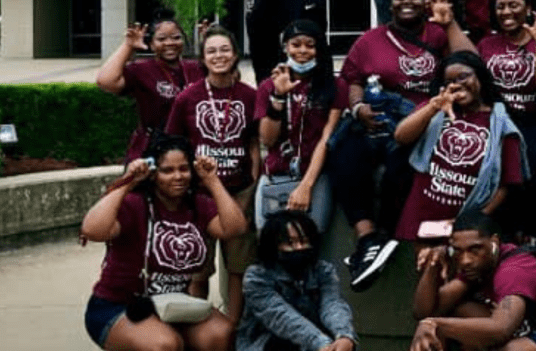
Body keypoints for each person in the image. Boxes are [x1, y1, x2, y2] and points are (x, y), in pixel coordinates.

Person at [329, 0, 476, 292]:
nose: (406, 2)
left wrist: (449, 23)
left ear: (425, 3)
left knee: (404, 165)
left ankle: (383, 237)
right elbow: (353, 79)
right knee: (346, 154)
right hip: (377, 117)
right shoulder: (370, 40)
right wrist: (357, 109)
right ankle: (368, 238)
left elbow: (472, 65)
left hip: (424, 120)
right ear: (389, 3)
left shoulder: (437, 35)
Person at [81, 135, 246, 351]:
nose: (178, 176)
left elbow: (235, 228)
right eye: (167, 170)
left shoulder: (198, 205)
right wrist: (128, 182)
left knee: (221, 335)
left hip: (174, 305)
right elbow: (93, 230)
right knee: (165, 344)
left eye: (184, 169)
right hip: (119, 306)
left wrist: (212, 180)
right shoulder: (135, 205)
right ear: (152, 174)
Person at [166, 25, 259, 324]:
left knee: (238, 266)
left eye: (224, 50)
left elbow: (255, 143)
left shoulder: (249, 95)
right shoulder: (187, 98)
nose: (219, 56)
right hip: (199, 196)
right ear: (202, 59)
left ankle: (232, 328)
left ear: (235, 54)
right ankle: (197, 327)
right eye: (211, 51)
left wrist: (254, 182)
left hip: (239, 192)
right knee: (197, 268)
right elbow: (173, 144)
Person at [410, 210, 536, 351]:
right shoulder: (479, 264)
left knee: (513, 350)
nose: (465, 260)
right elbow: (425, 311)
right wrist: (433, 265)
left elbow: (501, 329)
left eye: (474, 249)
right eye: (458, 251)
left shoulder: (514, 271)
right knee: (459, 311)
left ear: (494, 242)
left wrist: (434, 324)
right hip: (533, 332)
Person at [394, 51, 528, 249]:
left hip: (464, 227)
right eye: (449, 81)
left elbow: (506, 185)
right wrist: (433, 107)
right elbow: (401, 136)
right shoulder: (437, 109)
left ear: (480, 77)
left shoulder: (502, 125)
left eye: (463, 76)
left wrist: (472, 223)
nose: (456, 84)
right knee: (427, 273)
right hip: (423, 216)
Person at [477, 0, 536, 239]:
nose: (506, 12)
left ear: (528, 9)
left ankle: (530, 235)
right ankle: (501, 236)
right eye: (500, 6)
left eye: (513, 5)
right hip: (498, 121)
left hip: (533, 119)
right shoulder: (486, 45)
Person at [254, 19, 347, 233]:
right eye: (296, 45)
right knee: (270, 241)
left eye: (310, 45)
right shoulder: (268, 86)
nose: (302, 51)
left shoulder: (335, 85)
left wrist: (306, 186)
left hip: (314, 176)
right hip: (275, 173)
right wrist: (278, 96)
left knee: (310, 241)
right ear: (285, 47)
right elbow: (267, 140)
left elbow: (327, 137)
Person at [236, 210, 358, 351]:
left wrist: (344, 335)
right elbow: (281, 317)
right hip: (266, 343)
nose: (299, 248)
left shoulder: (323, 270)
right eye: (290, 243)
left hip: (316, 341)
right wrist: (320, 343)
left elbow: (332, 304)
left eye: (304, 241)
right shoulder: (257, 277)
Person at [96, 11, 203, 161]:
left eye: (176, 37)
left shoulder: (196, 69)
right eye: (161, 39)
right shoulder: (141, 69)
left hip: (191, 146)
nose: (170, 43)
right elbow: (105, 81)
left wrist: (208, 42)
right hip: (151, 147)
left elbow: (229, 76)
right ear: (151, 44)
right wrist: (128, 46)